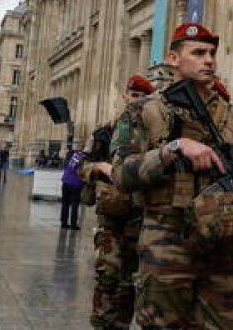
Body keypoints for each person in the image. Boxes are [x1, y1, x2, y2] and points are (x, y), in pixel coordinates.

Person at [112, 23, 233, 330]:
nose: (208, 60)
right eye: (198, 53)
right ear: (173, 58)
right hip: (167, 239)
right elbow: (120, 174)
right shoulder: (144, 111)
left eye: (212, 53)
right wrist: (173, 149)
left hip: (223, 245)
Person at [87, 73, 157, 330]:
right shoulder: (105, 132)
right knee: (108, 276)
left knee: (130, 284)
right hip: (111, 222)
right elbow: (78, 167)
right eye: (134, 95)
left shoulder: (155, 135)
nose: (136, 101)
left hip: (141, 220)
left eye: (143, 97)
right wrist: (99, 167)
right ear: (125, 96)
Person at [60, 145, 86, 230]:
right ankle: (73, 224)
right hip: (75, 183)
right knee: (75, 204)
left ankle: (64, 223)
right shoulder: (84, 158)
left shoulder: (73, 155)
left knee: (65, 203)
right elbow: (81, 172)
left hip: (65, 181)